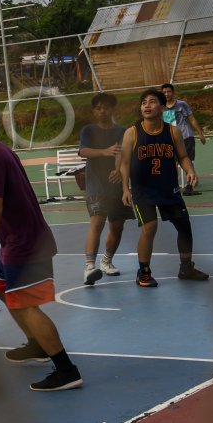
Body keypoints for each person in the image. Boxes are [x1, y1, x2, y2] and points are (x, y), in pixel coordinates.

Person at [0, 105, 82, 391]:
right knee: (4, 290)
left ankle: (66, 369)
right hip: (17, 240)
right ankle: (37, 345)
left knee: (26, 304)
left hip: (23, 243)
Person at [120, 89, 210, 288]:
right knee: (150, 227)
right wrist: (125, 188)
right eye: (144, 102)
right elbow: (124, 162)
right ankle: (143, 272)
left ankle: (186, 267)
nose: (147, 106)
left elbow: (183, 156)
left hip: (168, 188)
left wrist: (190, 170)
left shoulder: (172, 131)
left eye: (152, 102)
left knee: (184, 226)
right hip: (143, 190)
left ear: (162, 107)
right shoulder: (132, 132)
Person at [77, 93, 131, 285]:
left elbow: (121, 151)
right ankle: (89, 267)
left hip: (117, 186)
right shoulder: (88, 131)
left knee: (117, 227)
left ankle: (106, 260)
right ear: (94, 111)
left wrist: (118, 170)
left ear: (112, 110)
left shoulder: (122, 131)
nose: (102, 110)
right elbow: (83, 151)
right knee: (97, 223)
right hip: (96, 185)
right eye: (98, 107)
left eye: (106, 107)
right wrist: (103, 151)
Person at [160, 83, 206, 196]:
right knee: (171, 162)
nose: (167, 94)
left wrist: (200, 133)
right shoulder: (160, 107)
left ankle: (189, 185)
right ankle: (174, 184)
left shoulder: (182, 104)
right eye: (164, 92)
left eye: (169, 92)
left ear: (173, 92)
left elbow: (192, 119)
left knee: (188, 160)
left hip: (185, 136)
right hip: (170, 138)